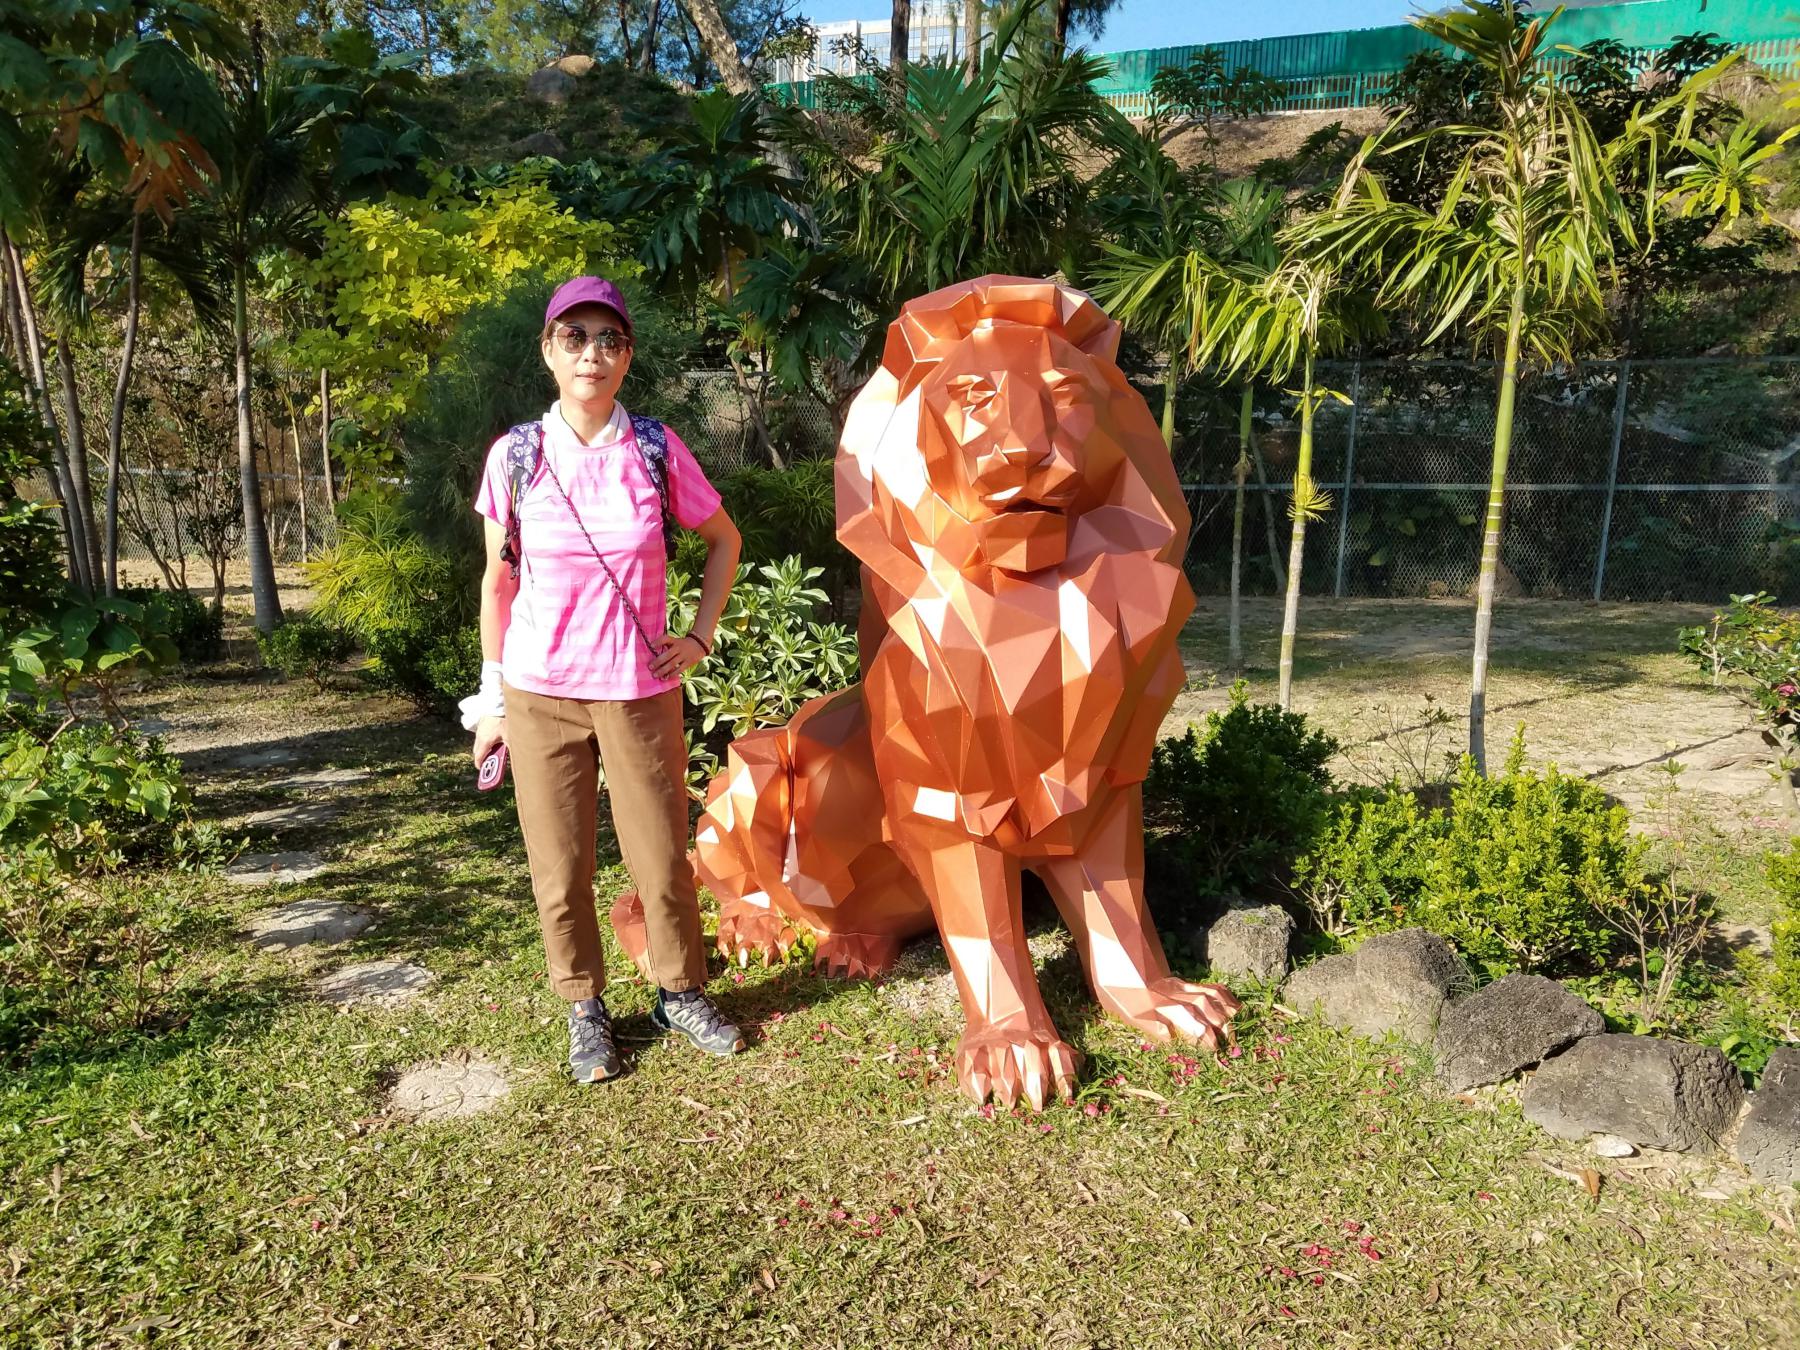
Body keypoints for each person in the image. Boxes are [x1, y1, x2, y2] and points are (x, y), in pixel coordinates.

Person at [460, 276, 744, 1084]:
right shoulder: (516, 456)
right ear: (549, 351)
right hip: (539, 694)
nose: (592, 353)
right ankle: (585, 1008)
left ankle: (678, 991)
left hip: (638, 691)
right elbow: (497, 584)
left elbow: (724, 540)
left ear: (627, 356)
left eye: (609, 339)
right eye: (575, 337)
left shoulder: (654, 448)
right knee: (560, 867)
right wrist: (491, 703)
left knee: (661, 859)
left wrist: (699, 636)